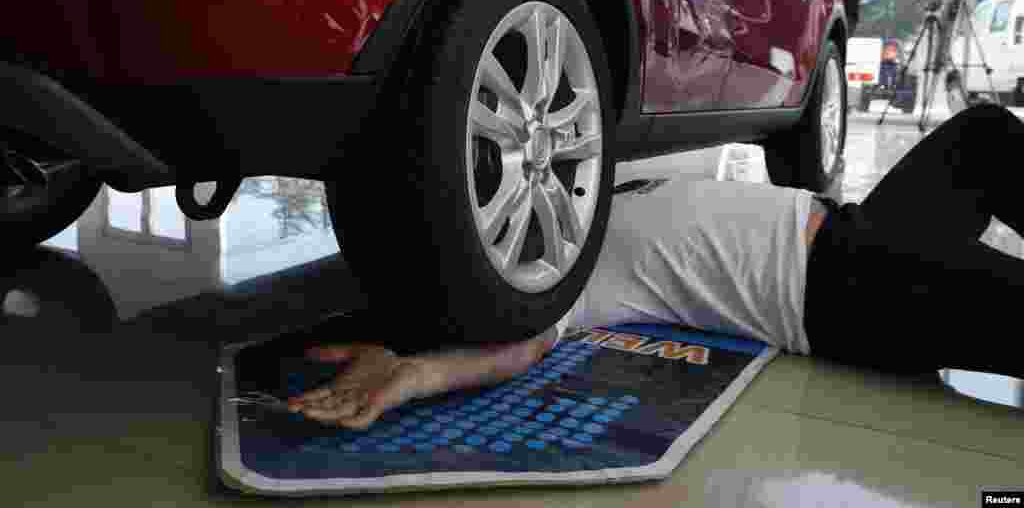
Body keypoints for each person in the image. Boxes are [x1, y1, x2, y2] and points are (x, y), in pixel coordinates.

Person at [287, 104, 1024, 429]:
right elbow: (521, 345)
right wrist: (419, 371)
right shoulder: (546, 273)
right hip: (850, 290)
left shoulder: (591, 192)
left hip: (856, 227)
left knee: (983, 133)